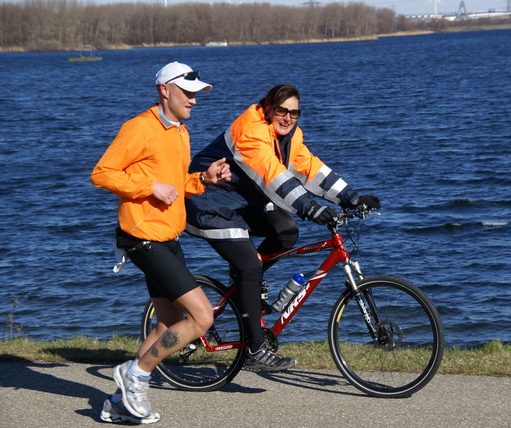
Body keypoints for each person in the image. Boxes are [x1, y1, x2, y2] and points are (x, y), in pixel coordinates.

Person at [185, 84, 380, 372]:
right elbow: (272, 175)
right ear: (267, 108)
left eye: (294, 113)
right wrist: (309, 207)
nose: (288, 118)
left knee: (285, 230)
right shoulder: (250, 130)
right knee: (250, 265)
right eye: (281, 111)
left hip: (241, 202)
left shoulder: (290, 135)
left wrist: (351, 197)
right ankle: (254, 348)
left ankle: (245, 288)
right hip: (208, 202)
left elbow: (310, 168)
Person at [91, 61, 231, 423]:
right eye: (188, 93)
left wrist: (204, 178)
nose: (194, 100)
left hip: (168, 236)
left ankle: (119, 404)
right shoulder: (139, 128)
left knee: (168, 321)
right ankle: (135, 374)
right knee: (201, 317)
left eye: (197, 94)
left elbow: (175, 181)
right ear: (164, 90)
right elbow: (102, 173)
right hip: (142, 237)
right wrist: (148, 187)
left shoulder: (179, 131)